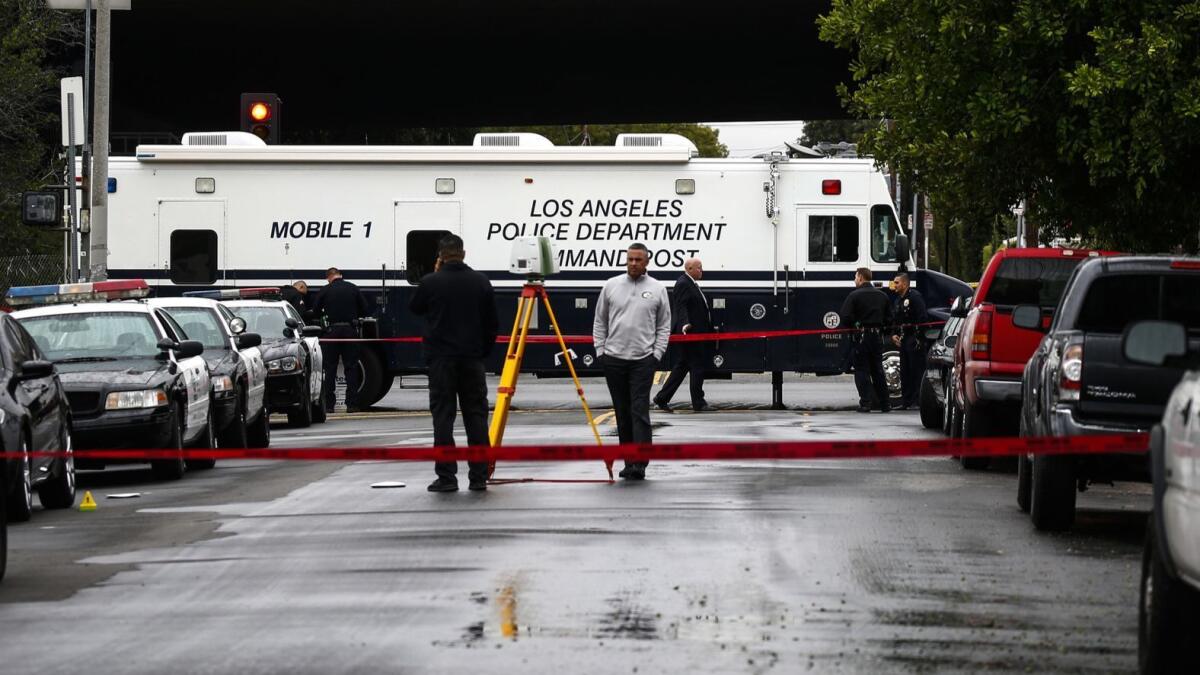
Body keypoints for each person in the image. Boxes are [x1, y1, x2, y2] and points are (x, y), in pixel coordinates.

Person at [409, 234, 498, 492]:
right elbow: (492, 324)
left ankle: (447, 477)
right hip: (472, 359)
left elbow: (415, 307)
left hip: (441, 360)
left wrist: (434, 273)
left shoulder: (430, 282)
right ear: (464, 253)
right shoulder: (481, 282)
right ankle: (478, 476)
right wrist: (482, 352)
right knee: (476, 417)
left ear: (440, 256)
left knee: (443, 418)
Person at [593, 243, 671, 480]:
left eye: (638, 260)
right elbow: (600, 321)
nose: (633, 264)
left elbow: (664, 325)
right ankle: (628, 462)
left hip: (642, 361)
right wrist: (601, 351)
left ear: (647, 262)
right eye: (630, 259)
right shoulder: (611, 286)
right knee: (622, 412)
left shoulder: (657, 289)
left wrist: (656, 354)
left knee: (639, 411)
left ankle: (640, 463)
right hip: (614, 360)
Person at [653, 257, 713, 412]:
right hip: (691, 335)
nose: (701, 270)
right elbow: (681, 306)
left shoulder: (690, 283)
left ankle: (662, 398)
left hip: (695, 334)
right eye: (699, 268)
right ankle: (699, 403)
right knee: (697, 367)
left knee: (682, 367)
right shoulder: (683, 284)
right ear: (690, 269)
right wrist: (685, 324)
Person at [311, 267, 370, 413]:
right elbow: (365, 309)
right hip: (350, 331)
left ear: (328, 277)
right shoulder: (353, 288)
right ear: (340, 275)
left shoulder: (325, 290)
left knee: (330, 368)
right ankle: (352, 404)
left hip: (331, 332)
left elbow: (316, 311)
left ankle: (329, 405)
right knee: (351, 367)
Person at [840, 267, 892, 413]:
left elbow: (845, 317)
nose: (855, 280)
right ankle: (885, 403)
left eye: (855, 277)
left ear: (861, 278)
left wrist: (855, 324)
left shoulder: (854, 296)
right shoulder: (882, 296)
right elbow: (890, 318)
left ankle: (866, 403)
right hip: (877, 337)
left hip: (861, 336)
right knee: (878, 370)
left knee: (862, 370)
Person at [890, 272, 928, 410]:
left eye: (897, 282)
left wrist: (918, 338)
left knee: (917, 370)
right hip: (904, 339)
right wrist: (894, 334)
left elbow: (922, 317)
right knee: (905, 371)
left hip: (914, 338)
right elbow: (896, 319)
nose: (894, 285)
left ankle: (919, 401)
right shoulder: (898, 300)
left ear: (905, 283)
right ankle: (906, 401)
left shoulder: (915, 297)